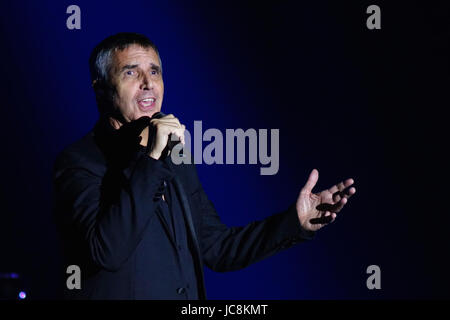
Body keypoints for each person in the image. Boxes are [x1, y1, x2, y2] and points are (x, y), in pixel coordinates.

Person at [53, 32, 356, 300]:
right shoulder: (79, 162)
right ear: (100, 86)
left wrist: (295, 222)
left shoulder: (175, 157)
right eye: (131, 72)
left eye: (155, 72)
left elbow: (218, 248)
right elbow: (106, 251)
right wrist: (152, 159)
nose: (148, 84)